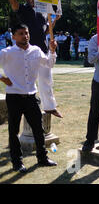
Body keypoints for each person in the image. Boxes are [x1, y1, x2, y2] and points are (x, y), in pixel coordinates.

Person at [0, 24, 58, 173]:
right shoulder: (7, 53)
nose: (25, 36)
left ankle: (42, 158)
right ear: (13, 36)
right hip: (14, 97)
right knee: (14, 131)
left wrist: (52, 51)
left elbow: (49, 64)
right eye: (20, 33)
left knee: (39, 130)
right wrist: (2, 78)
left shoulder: (36, 51)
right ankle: (17, 162)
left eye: (26, 33)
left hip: (31, 97)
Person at [5, 0, 62, 118]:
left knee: (46, 80)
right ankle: (29, 104)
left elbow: (44, 31)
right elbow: (12, 1)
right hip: (27, 51)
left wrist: (54, 21)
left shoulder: (44, 11)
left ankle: (50, 107)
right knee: (26, 79)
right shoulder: (22, 9)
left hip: (41, 50)